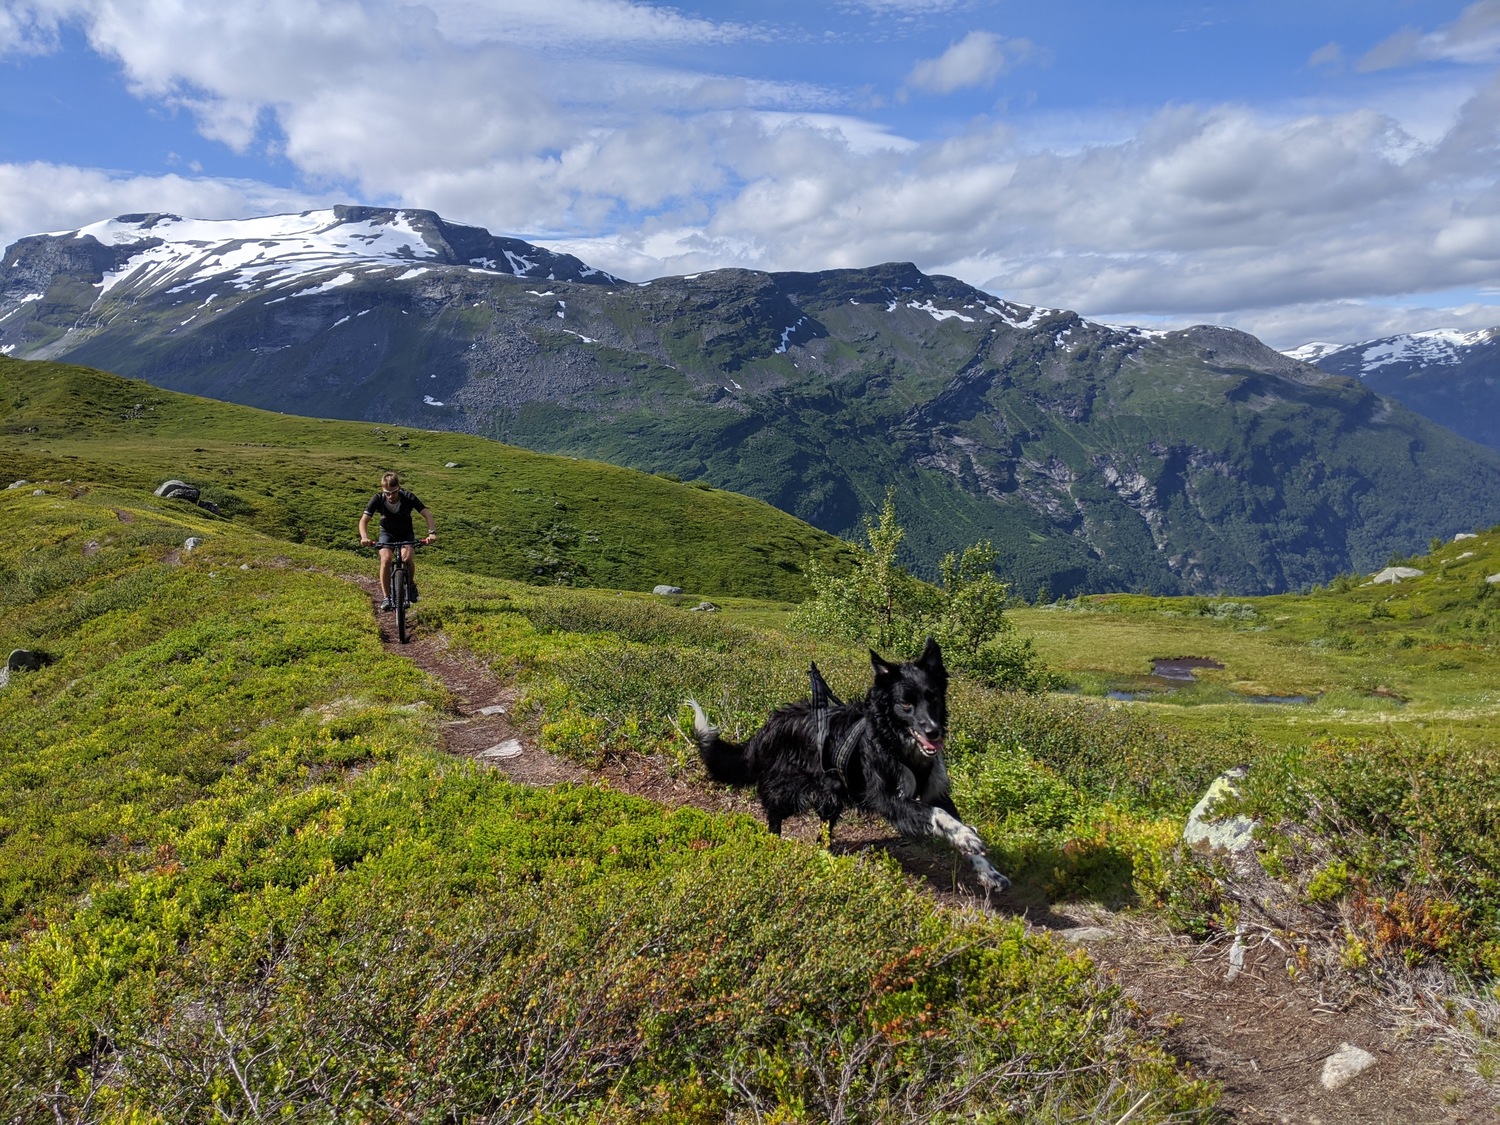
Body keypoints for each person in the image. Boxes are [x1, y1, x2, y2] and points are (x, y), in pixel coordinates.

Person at [358, 472, 436, 611]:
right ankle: (387, 597)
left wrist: (431, 533)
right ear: (383, 490)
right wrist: (364, 537)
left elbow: (426, 514)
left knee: (407, 558)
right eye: (387, 493)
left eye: (393, 492)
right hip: (387, 533)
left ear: (399, 488)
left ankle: (410, 585)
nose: (390, 496)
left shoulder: (408, 497)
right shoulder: (377, 499)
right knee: (386, 559)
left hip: (405, 533)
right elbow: (364, 520)